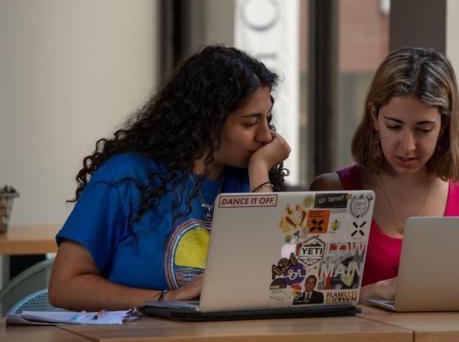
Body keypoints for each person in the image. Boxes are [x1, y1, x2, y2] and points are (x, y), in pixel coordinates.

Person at [48, 46, 291, 311]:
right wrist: (167, 299)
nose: (266, 136)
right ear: (206, 121)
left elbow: (275, 281)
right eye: (249, 123)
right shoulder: (125, 179)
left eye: (266, 119)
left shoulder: (252, 181)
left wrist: (259, 168)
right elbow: (65, 287)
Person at [311, 47, 459, 301]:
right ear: (375, 117)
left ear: (444, 125)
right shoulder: (334, 191)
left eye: (424, 129)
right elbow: (310, 303)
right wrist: (371, 293)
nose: (408, 146)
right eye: (394, 126)